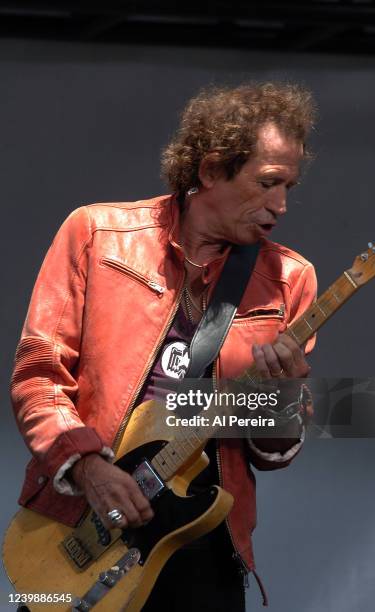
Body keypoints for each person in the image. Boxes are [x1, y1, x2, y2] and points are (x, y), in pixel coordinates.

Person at [10, 82, 317, 611]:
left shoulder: (291, 279)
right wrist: (86, 466)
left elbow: (271, 450)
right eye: (268, 183)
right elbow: (38, 374)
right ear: (211, 169)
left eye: (289, 185)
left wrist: (285, 397)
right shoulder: (96, 234)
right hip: (85, 520)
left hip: (202, 543)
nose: (282, 205)